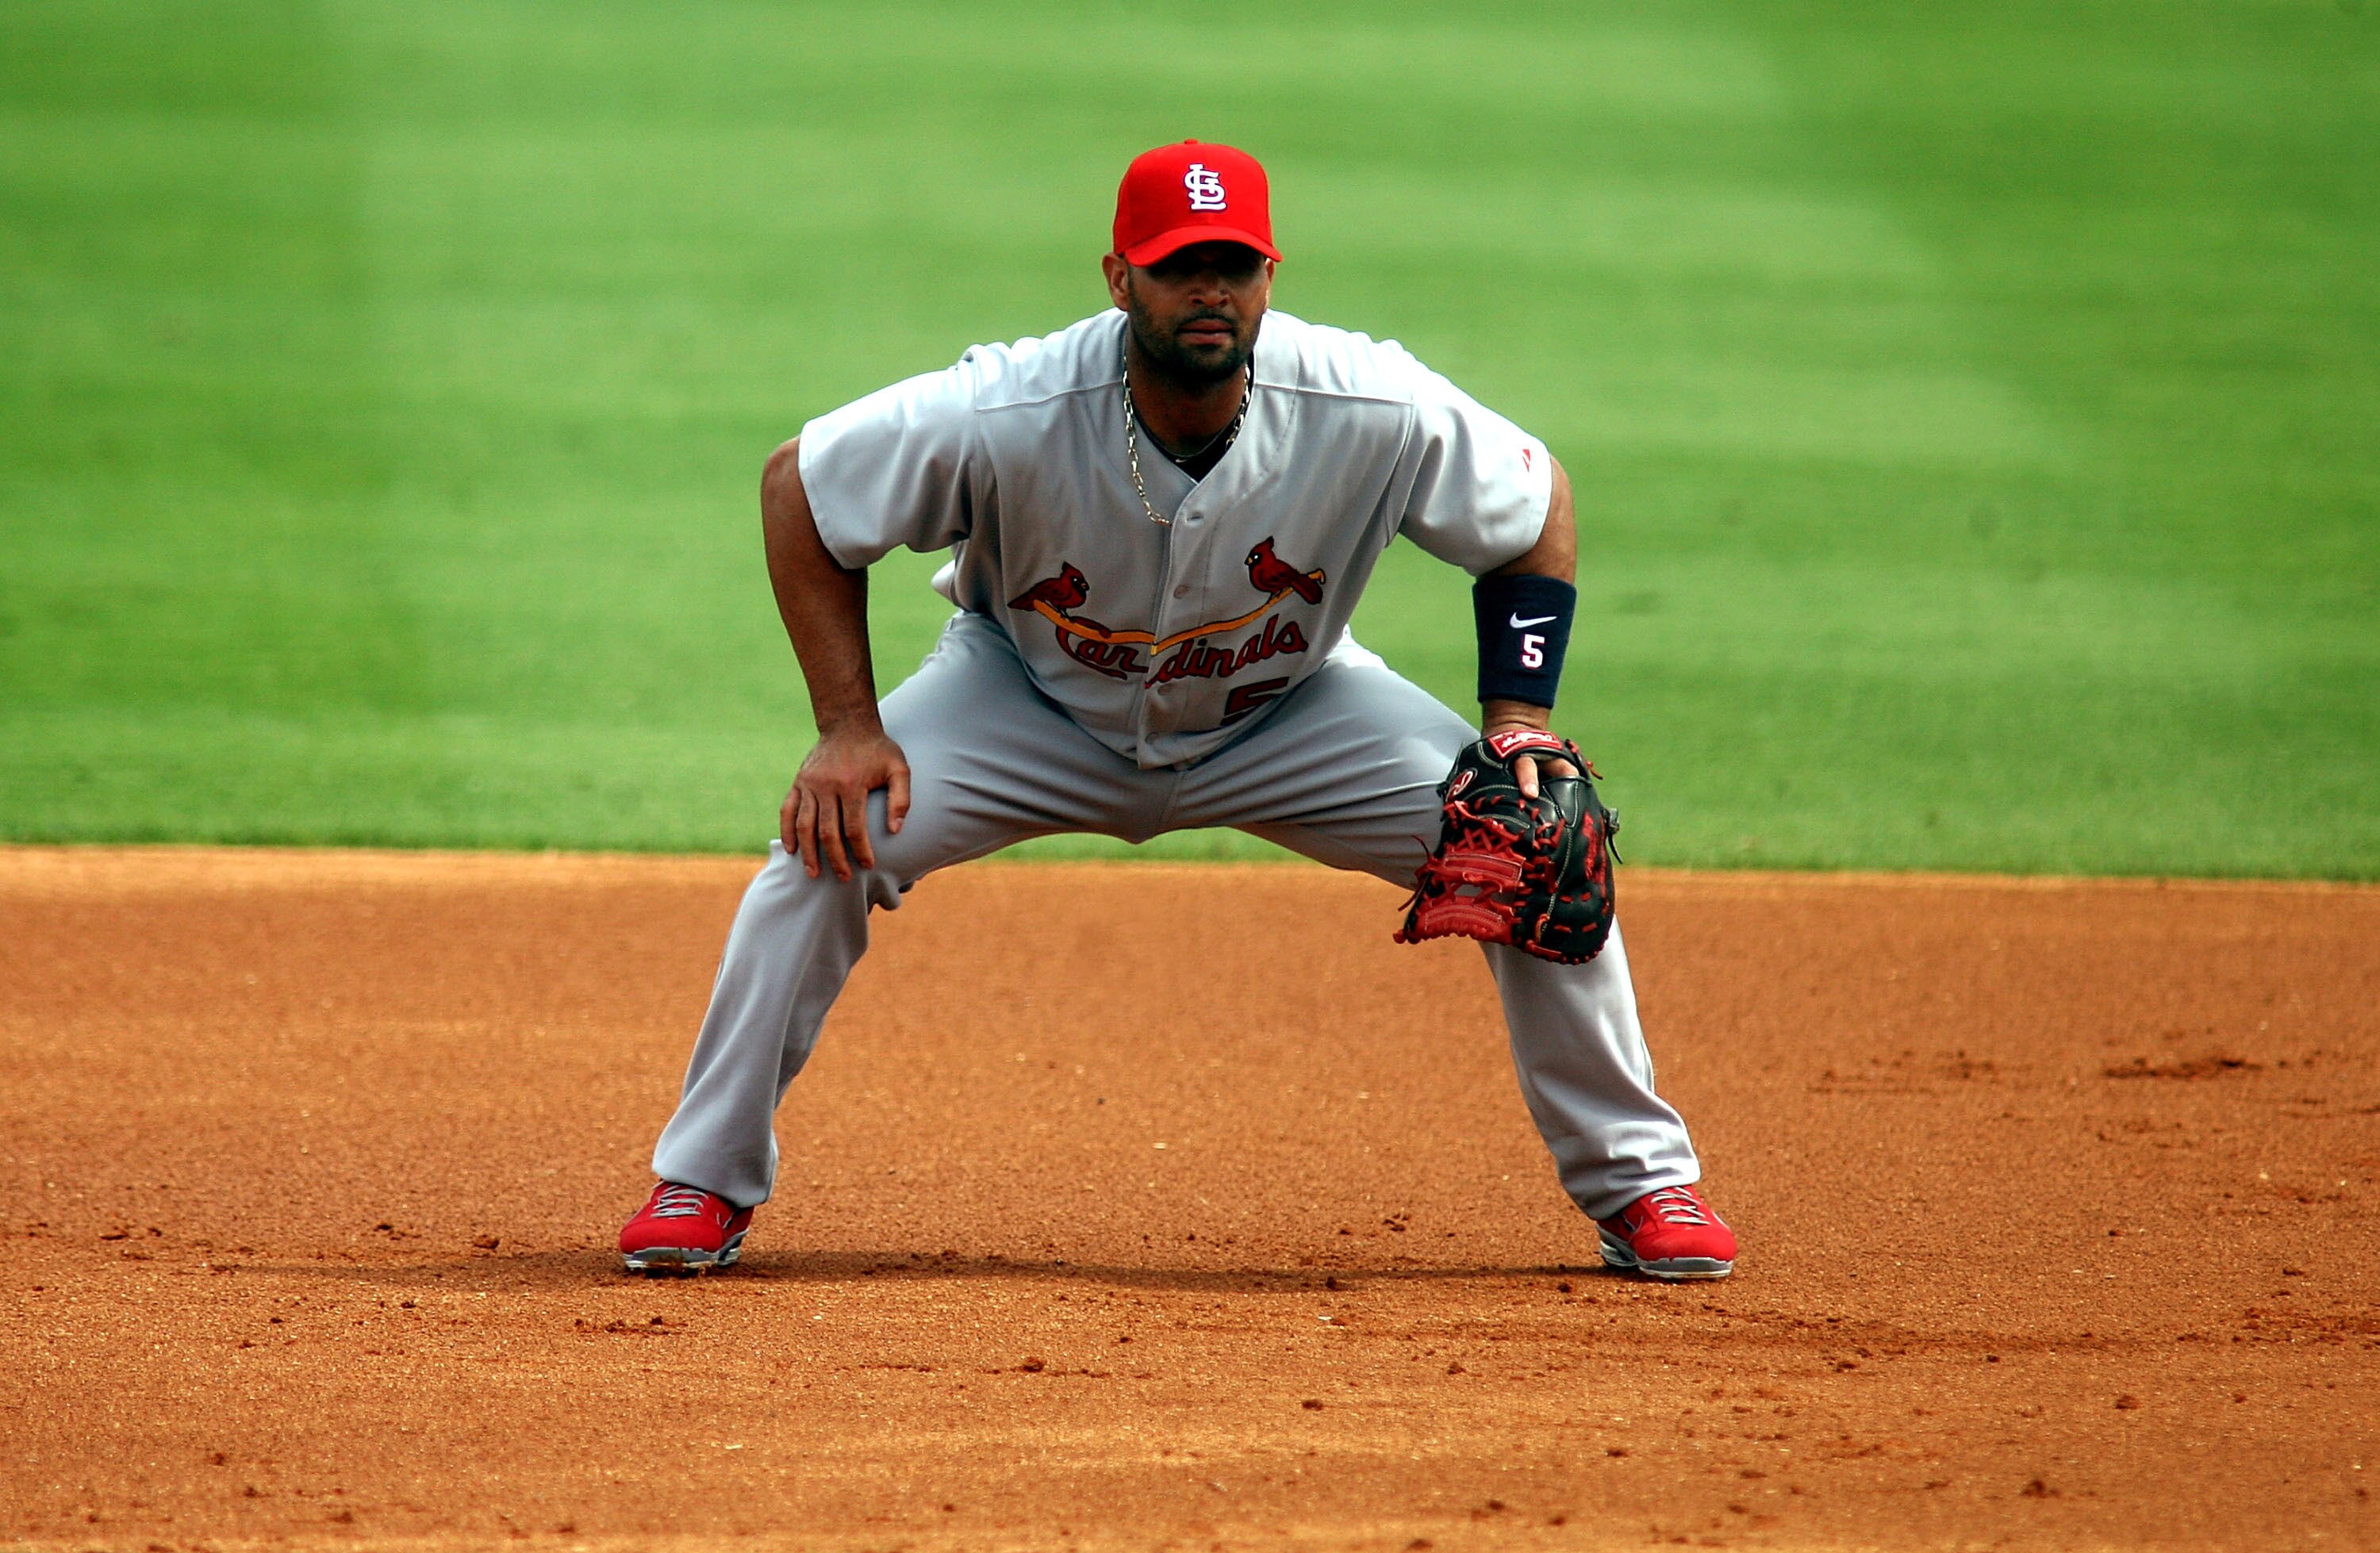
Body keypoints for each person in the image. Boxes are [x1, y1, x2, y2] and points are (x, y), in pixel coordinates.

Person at [618, 141, 1737, 1281]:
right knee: (829, 843)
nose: (1211, 292)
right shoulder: (1010, 407)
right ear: (1118, 280)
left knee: (1533, 835)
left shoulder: (1368, 402)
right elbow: (796, 489)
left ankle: (1646, 1187)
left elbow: (1536, 503)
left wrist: (1516, 719)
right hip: (1025, 699)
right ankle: (702, 1179)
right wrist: (849, 727)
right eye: (1179, 267)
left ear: (1269, 278)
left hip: (1291, 714)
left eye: (1235, 266)